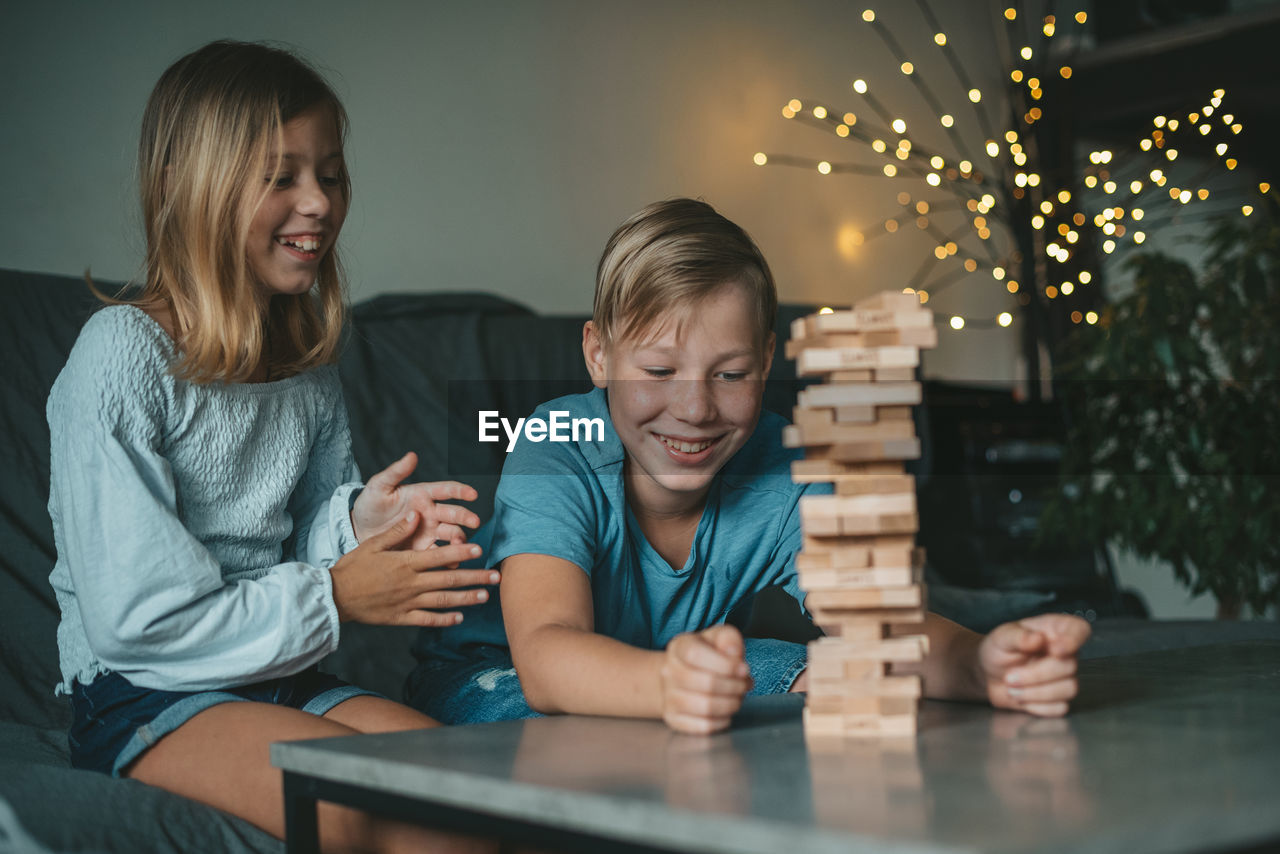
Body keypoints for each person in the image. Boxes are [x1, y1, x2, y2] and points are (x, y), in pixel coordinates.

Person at [408, 197, 1089, 735]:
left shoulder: (790, 470)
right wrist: (669, 687)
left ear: (766, 362)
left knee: (826, 674)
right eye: (658, 370)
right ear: (598, 357)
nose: (695, 408)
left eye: (730, 373)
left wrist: (983, 669)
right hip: (495, 678)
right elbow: (548, 658)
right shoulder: (558, 445)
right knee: (575, 739)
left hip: (678, 673)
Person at [48, 41, 497, 852]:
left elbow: (301, 539)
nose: (319, 202)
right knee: (390, 814)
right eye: (282, 176)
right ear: (200, 191)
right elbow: (139, 624)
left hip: (277, 674)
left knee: (486, 787)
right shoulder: (120, 355)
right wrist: (338, 598)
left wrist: (363, 525)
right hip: (148, 692)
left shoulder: (302, 361)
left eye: (330, 174)